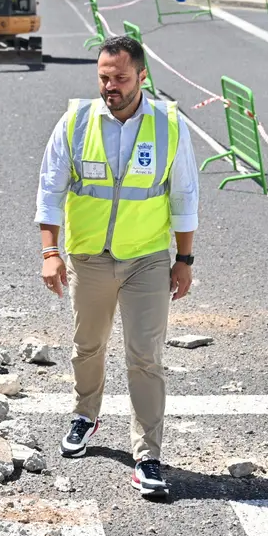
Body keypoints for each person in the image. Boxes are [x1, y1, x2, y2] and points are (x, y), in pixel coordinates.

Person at [35, 35, 199, 500]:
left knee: (145, 356)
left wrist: (183, 259)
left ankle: (148, 455)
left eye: (120, 78)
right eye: (104, 77)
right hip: (89, 258)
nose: (111, 86)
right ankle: (85, 414)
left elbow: (184, 194)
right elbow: (50, 187)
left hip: (146, 259)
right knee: (88, 345)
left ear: (142, 76)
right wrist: (51, 252)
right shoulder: (76, 121)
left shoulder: (169, 125)